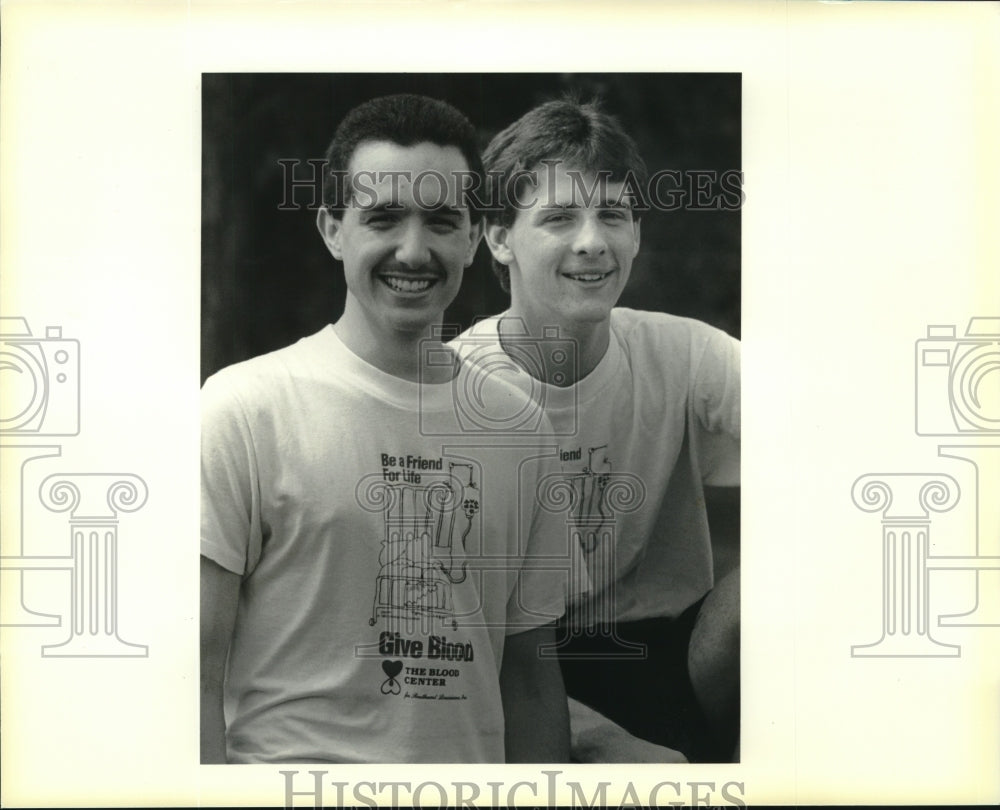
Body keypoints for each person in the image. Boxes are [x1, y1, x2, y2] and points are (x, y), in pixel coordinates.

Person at [200, 94, 575, 764]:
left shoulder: (522, 430)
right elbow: (190, 673)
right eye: (383, 218)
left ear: (471, 234)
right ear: (332, 228)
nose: (413, 250)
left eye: (440, 221)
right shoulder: (245, 408)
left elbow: (532, 681)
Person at [454, 98, 740, 763]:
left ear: (637, 232)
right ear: (499, 238)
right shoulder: (453, 391)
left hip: (677, 651)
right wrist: (608, 744)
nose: (593, 240)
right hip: (515, 665)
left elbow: (836, 432)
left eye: (613, 213)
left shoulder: (688, 354)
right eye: (558, 217)